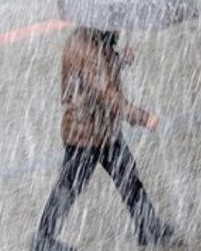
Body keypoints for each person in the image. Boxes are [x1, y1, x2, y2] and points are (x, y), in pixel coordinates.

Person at [33, 27, 180, 250]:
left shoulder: (94, 39)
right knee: (69, 186)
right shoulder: (87, 48)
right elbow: (108, 95)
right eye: (114, 26)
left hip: (103, 130)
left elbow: (97, 74)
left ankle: (147, 226)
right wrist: (143, 117)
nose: (118, 29)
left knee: (128, 177)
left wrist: (119, 60)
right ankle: (44, 239)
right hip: (85, 135)